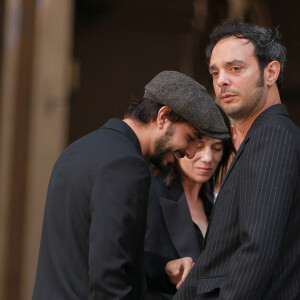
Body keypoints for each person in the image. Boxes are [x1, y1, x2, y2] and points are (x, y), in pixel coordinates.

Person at [32, 70, 230, 300]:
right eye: (190, 137)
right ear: (163, 117)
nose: (190, 152)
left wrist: (162, 269)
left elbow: (87, 255)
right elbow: (109, 276)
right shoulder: (127, 165)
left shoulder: (76, 150)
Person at [174, 20, 300, 300]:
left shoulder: (273, 137)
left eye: (235, 69)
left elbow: (256, 250)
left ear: (271, 73)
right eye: (215, 72)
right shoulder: (262, 138)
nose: (221, 80)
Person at [144, 106, 235, 300]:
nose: (208, 158)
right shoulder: (150, 191)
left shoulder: (217, 206)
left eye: (217, 148)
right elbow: (124, 259)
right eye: (199, 146)